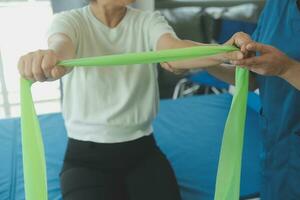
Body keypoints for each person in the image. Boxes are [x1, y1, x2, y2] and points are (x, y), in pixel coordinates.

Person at [17, 0, 244, 199]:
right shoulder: (70, 21)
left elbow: (173, 50)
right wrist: (48, 59)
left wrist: (224, 52)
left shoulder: (148, 21)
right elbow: (61, 49)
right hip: (85, 157)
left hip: (142, 151)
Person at [165, 0, 300, 199]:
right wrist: (206, 61)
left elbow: (280, 66)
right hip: (277, 152)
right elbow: (254, 78)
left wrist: (287, 69)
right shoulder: (277, 6)